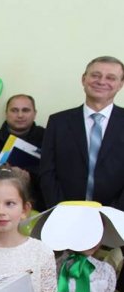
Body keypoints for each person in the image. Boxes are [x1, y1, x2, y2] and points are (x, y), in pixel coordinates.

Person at [40, 56, 124, 210]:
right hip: (64, 213)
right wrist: (61, 210)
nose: (101, 81)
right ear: (84, 79)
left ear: (120, 84)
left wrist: (113, 214)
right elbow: (47, 172)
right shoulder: (58, 122)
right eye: (95, 75)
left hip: (117, 216)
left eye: (110, 78)